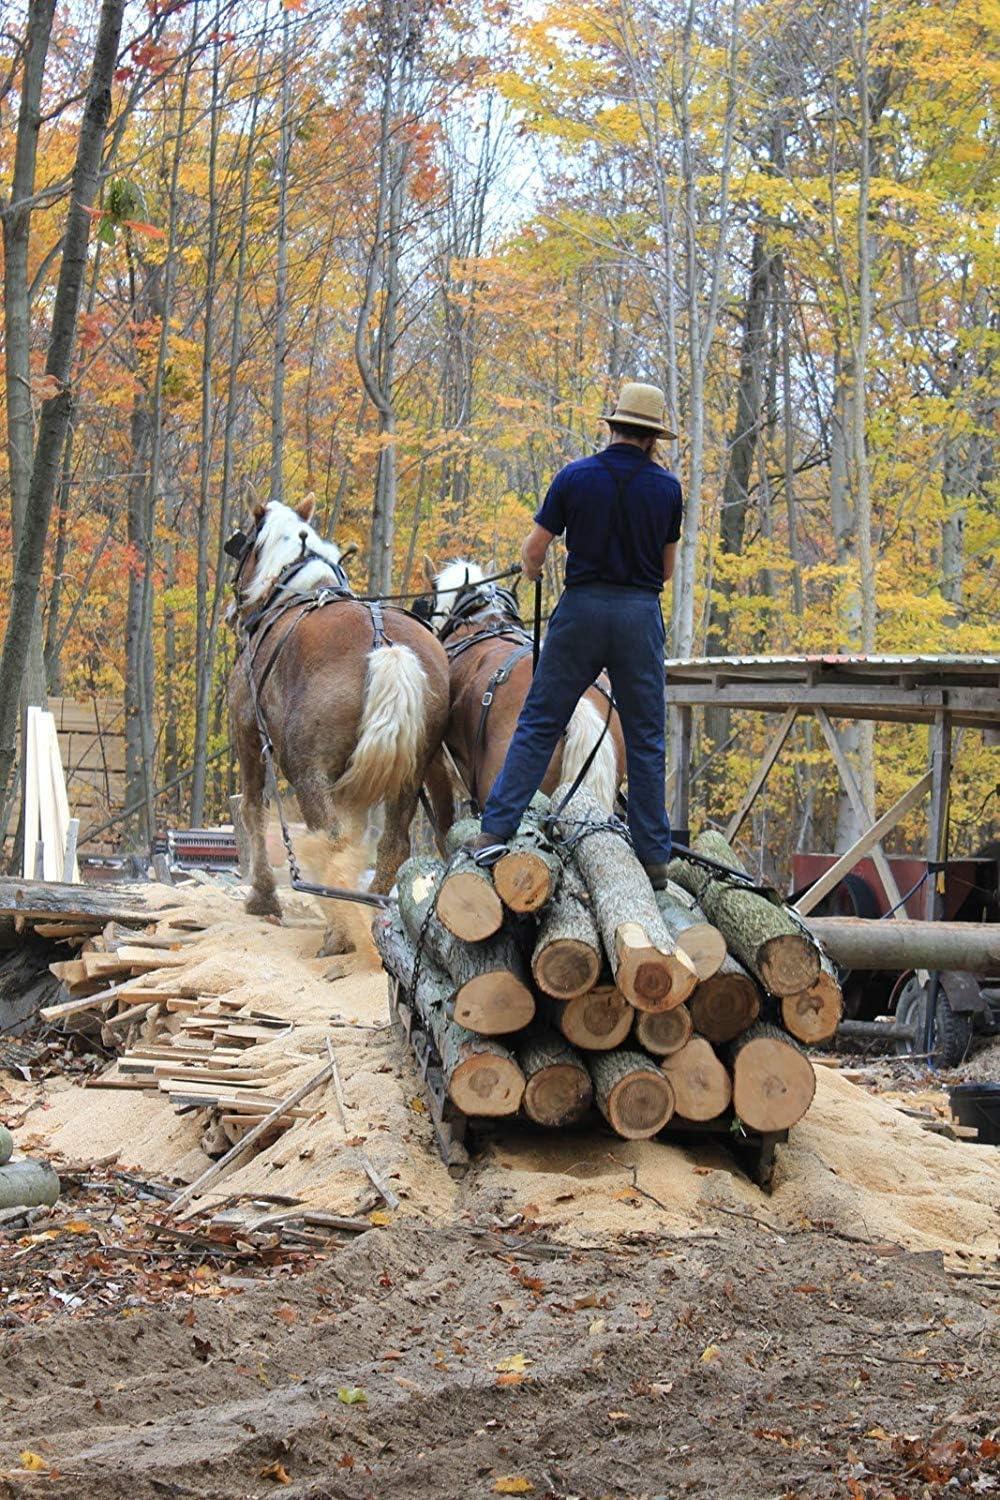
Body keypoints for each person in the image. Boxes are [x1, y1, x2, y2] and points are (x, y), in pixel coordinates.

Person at [468, 380, 683, 887]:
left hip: (581, 610)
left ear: (612, 427)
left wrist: (531, 569)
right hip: (637, 615)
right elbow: (667, 569)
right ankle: (653, 858)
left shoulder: (575, 476)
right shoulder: (667, 489)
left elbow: (535, 548)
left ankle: (493, 832)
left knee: (541, 722)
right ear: (653, 438)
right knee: (647, 735)